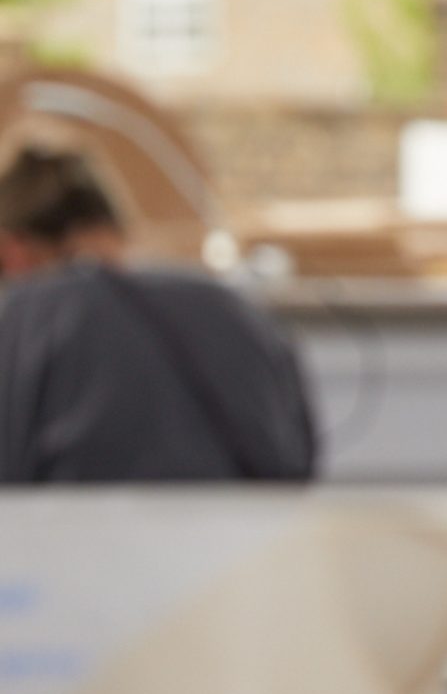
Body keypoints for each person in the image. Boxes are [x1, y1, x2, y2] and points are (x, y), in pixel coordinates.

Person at [0, 145, 319, 484]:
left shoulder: (21, 316)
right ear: (114, 229)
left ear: (12, 252)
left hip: (69, 532)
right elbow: (297, 459)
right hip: (243, 531)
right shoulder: (231, 306)